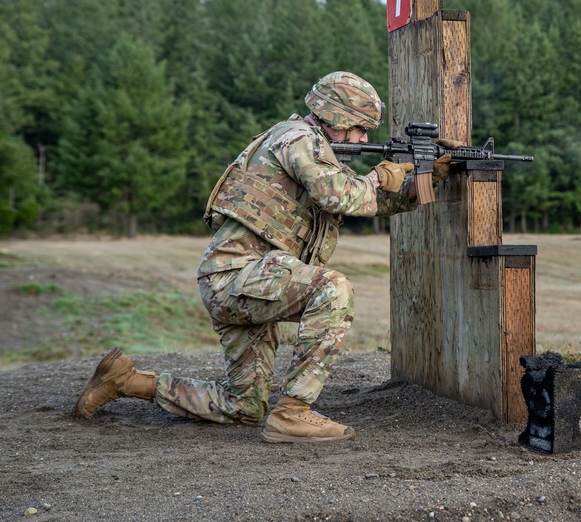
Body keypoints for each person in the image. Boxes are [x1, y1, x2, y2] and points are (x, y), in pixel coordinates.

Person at [74, 71, 451, 443]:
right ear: (335, 116)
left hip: (244, 282)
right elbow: (340, 195)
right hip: (239, 276)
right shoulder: (298, 138)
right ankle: (293, 413)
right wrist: (376, 176)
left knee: (243, 406)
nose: (364, 137)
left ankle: (125, 380)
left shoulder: (307, 146)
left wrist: (424, 180)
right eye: (359, 127)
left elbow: (368, 200)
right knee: (333, 290)